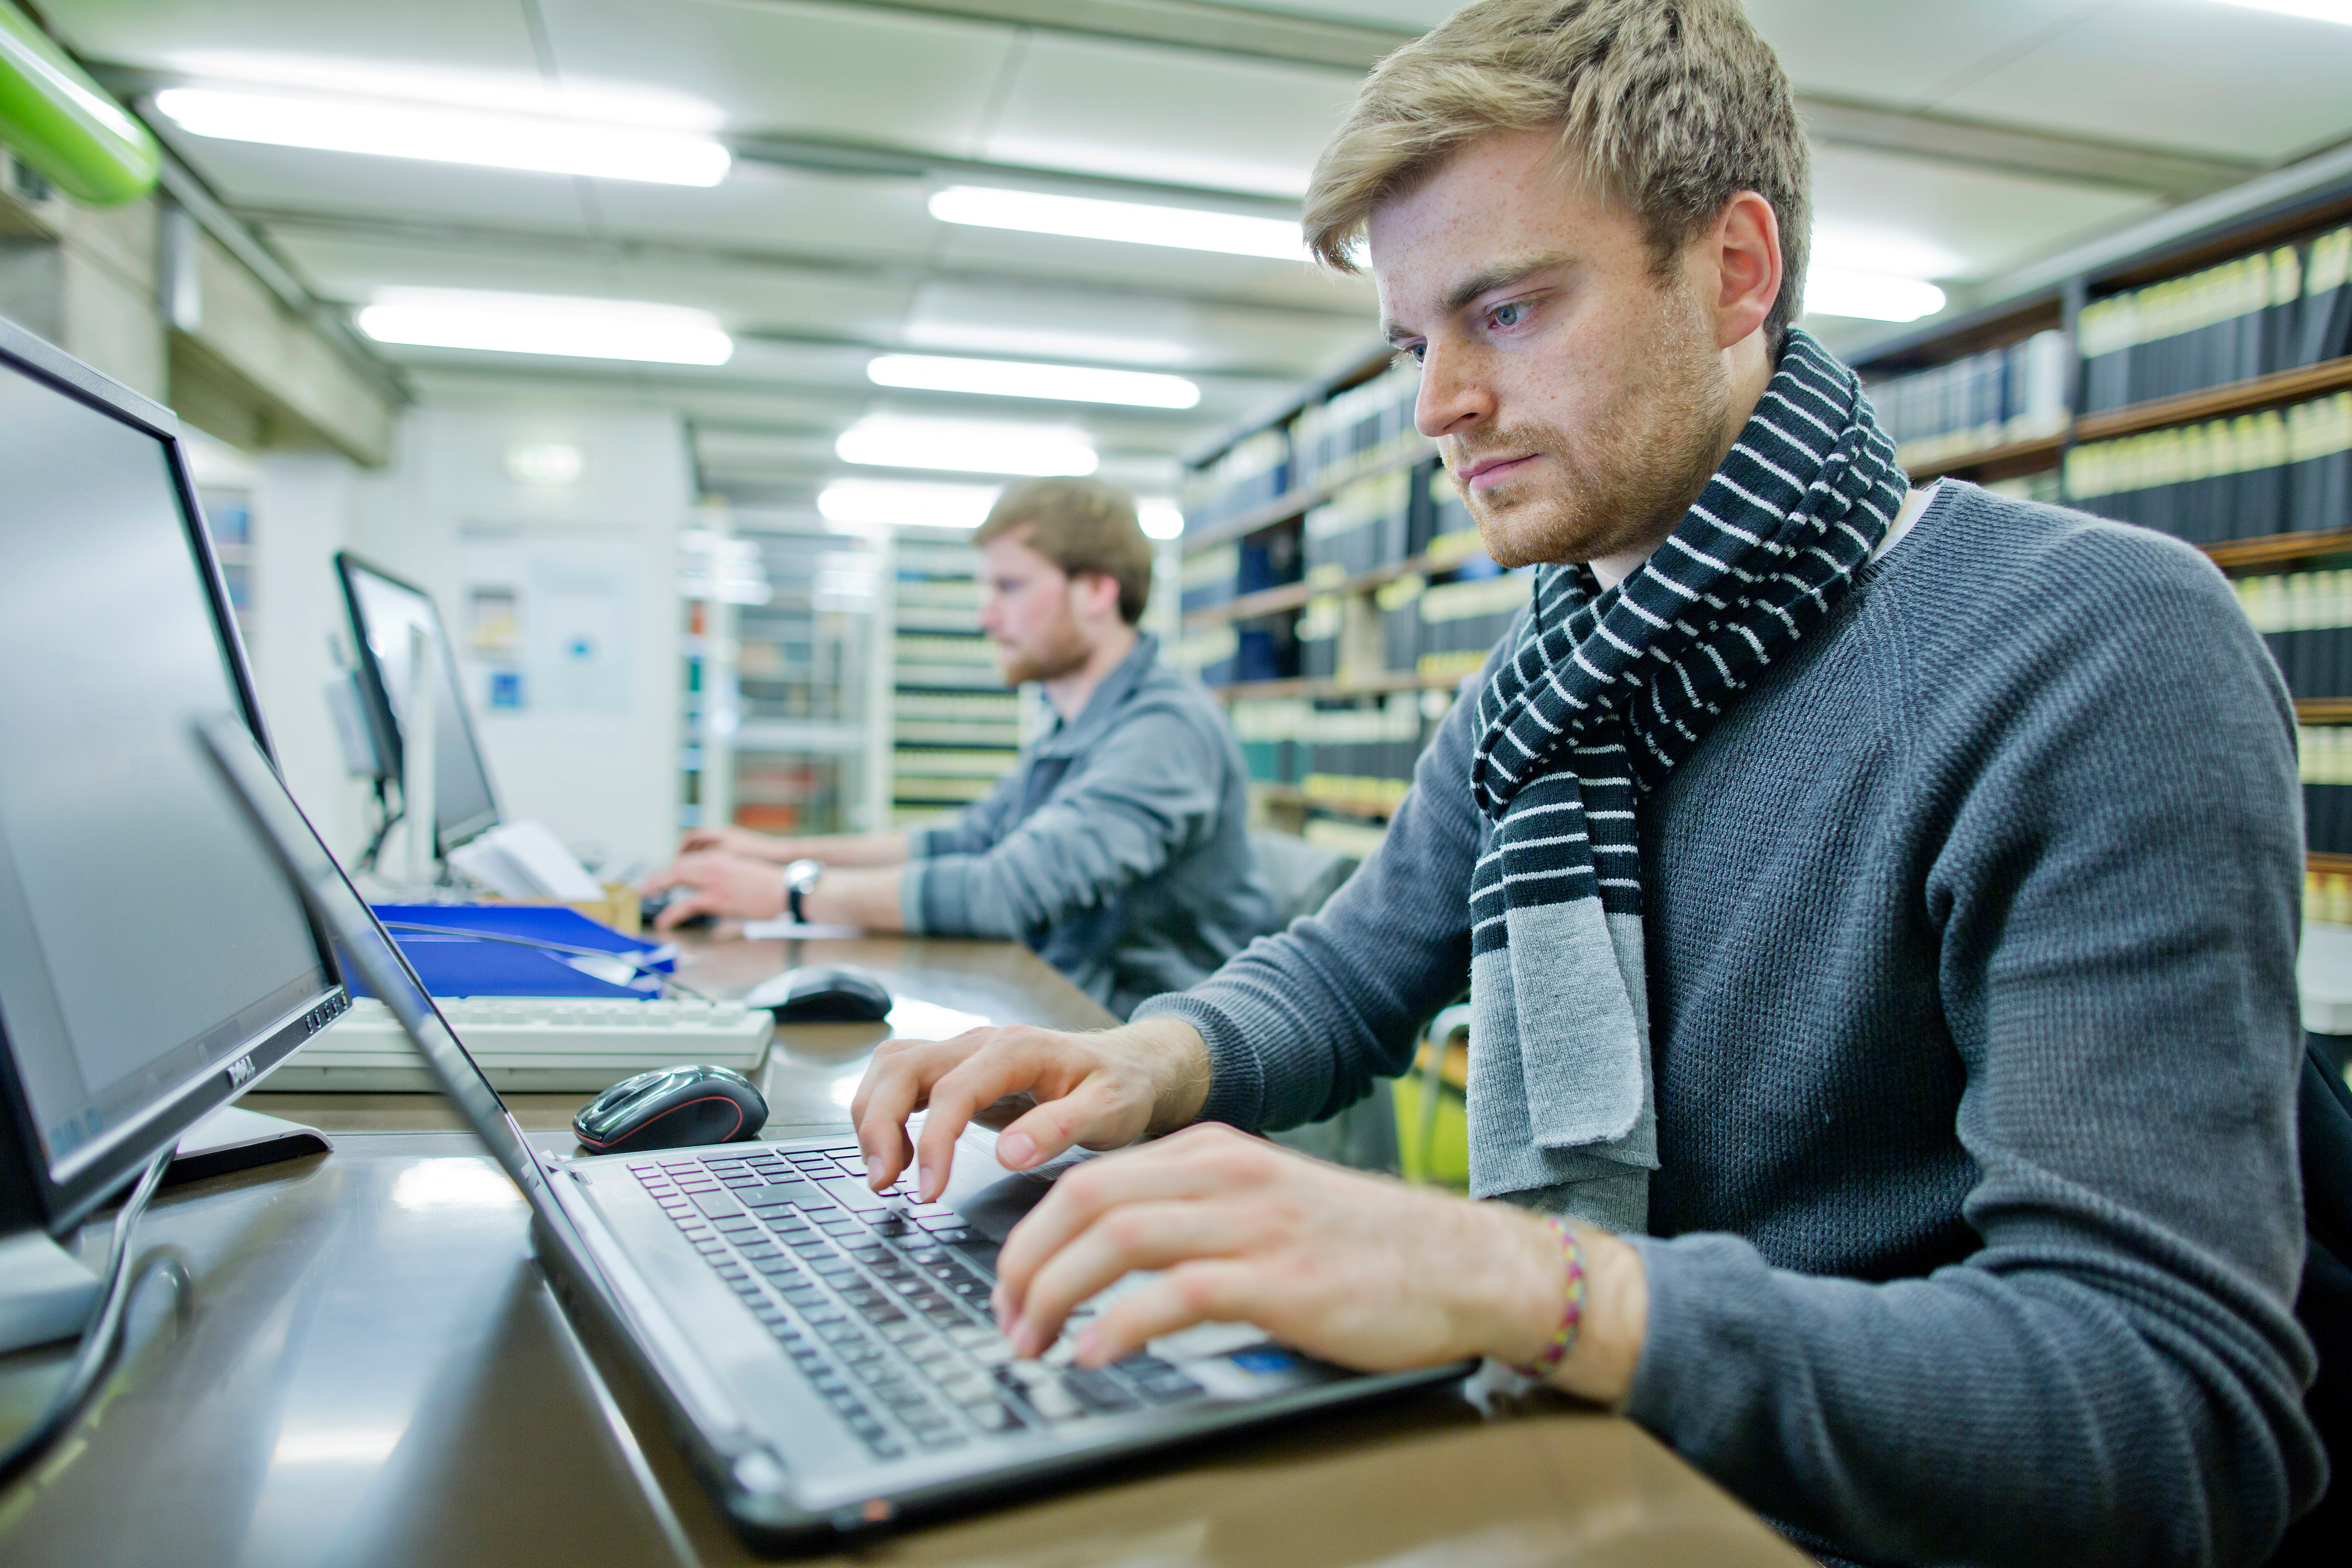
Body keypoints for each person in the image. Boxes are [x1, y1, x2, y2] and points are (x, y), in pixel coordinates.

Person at [844, 3, 2326, 1564]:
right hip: (1596, 1477)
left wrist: (1524, 1284)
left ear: (1735, 270)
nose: (1438, 409)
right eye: (1418, 345)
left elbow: (2166, 1404)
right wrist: (1143, 1060)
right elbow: (1356, 971)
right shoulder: (1553, 680)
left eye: (1508, 312)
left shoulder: (2090, 647)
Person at [643, 477, 1276, 1019]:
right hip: (1063, 1017)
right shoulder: (1079, 724)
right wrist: (783, 855)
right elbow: (969, 839)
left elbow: (1005, 890)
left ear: (1097, 592)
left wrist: (788, 894)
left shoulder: (1164, 730)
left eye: (1009, 588)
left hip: (1145, 1067)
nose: (985, 617)